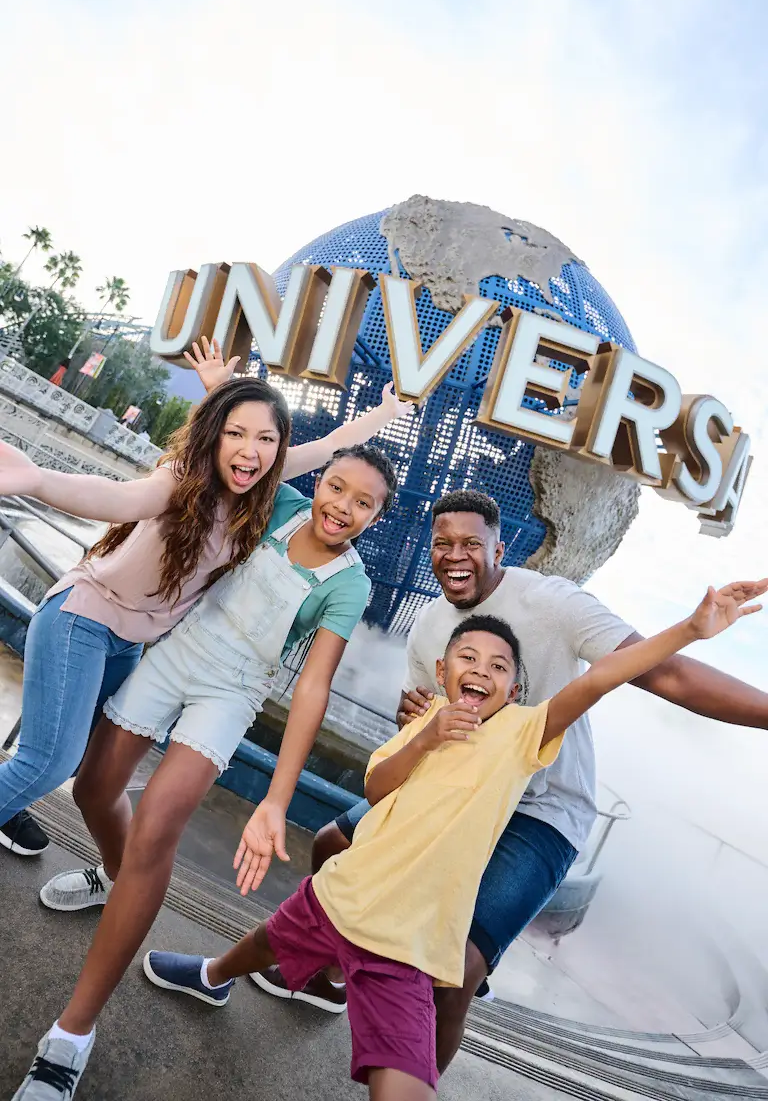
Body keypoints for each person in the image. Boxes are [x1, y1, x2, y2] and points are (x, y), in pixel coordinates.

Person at [134, 588, 761, 1101]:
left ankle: (254, 981)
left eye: (499, 668)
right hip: (342, 896)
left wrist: (689, 628)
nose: (481, 673)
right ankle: (214, 973)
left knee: (405, 1078)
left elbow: (600, 678)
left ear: (514, 690)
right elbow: (378, 786)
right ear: (443, 671)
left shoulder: (522, 734)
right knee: (275, 935)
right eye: (469, 660)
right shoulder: (421, 727)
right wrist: (424, 738)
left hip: (410, 944)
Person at [254, 489, 768, 1068]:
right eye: (443, 543)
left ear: (502, 547)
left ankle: (428, 1054)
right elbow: (424, 707)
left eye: (472, 543)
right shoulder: (430, 626)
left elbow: (664, 674)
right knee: (330, 844)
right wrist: (415, 715)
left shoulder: (554, 603)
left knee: (453, 978)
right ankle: (334, 977)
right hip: (458, 790)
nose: (456, 556)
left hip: (539, 812)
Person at [12, 441, 400, 1100]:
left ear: (377, 516)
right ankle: (112, 873)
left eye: (364, 503)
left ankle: (70, 1037)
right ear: (322, 483)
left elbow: (311, 689)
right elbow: (249, 442)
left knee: (158, 828)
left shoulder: (350, 581)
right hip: (176, 653)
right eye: (337, 488)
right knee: (93, 788)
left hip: (234, 692)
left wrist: (276, 799)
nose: (343, 507)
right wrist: (225, 387)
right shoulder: (281, 503)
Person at [0, 337, 411, 856]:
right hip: (85, 618)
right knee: (50, 760)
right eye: (235, 432)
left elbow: (331, 447)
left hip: (129, 641)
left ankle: (20, 812)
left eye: (265, 439)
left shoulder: (265, 490)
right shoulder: (181, 481)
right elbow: (119, 499)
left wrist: (389, 410)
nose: (251, 449)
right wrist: (36, 480)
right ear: (214, 434)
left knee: (73, 753)